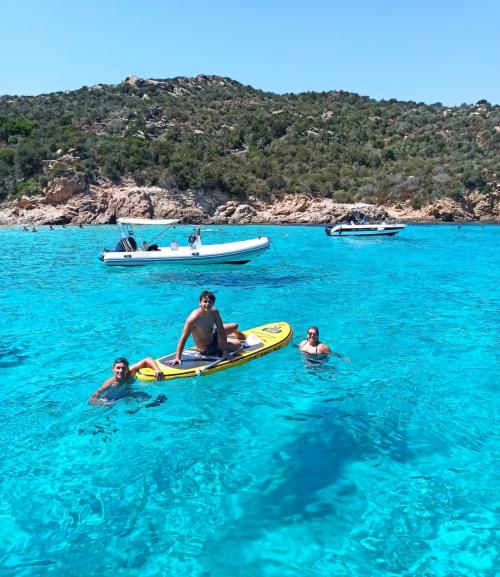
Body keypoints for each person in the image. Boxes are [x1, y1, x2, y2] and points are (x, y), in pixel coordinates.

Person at [167, 290, 245, 366]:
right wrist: (177, 357)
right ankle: (222, 342)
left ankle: (228, 339)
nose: (207, 304)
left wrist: (225, 350)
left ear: (213, 303)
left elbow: (221, 330)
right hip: (208, 347)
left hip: (213, 334)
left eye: (210, 302)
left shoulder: (214, 312)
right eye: (205, 302)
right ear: (200, 302)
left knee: (235, 325)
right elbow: (183, 338)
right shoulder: (193, 319)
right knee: (238, 344)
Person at [89, 356, 162, 405]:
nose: (120, 371)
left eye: (123, 368)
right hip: (111, 398)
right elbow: (92, 399)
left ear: (127, 368)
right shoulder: (109, 383)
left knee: (151, 398)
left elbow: (147, 359)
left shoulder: (130, 372)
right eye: (118, 368)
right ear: (113, 369)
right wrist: (104, 404)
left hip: (126, 393)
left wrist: (157, 370)